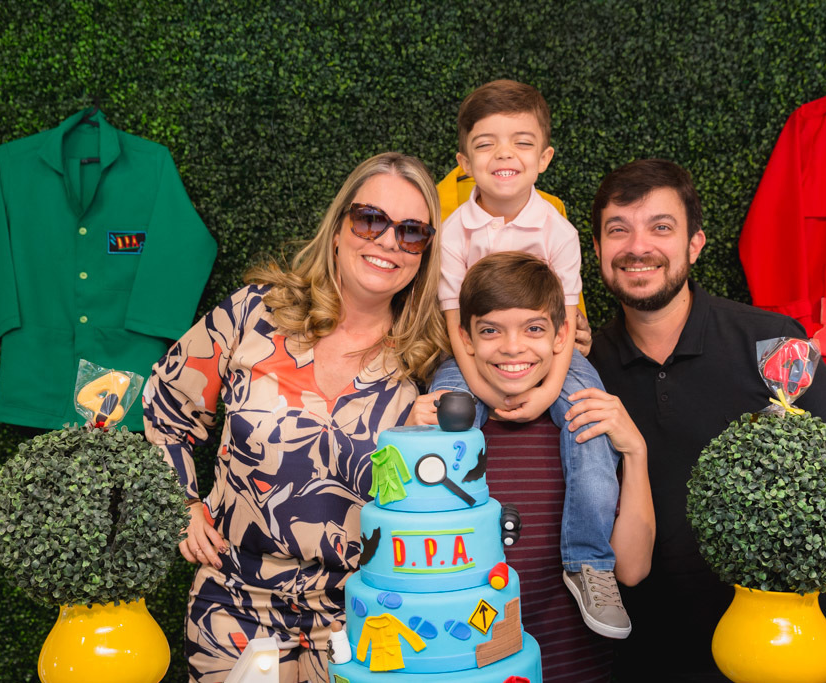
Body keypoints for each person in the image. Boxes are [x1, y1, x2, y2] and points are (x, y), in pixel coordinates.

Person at [142, 152, 449, 683]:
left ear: (424, 252)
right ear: (337, 228)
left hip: (363, 622)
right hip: (232, 609)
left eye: (411, 231)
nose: (387, 242)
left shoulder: (430, 358)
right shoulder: (255, 312)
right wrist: (184, 502)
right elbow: (165, 400)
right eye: (370, 219)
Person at [586, 158, 826, 683]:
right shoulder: (582, 367)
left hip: (776, 647)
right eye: (619, 230)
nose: (638, 247)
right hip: (635, 652)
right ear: (596, 250)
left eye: (661, 227)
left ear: (694, 244)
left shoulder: (773, 341)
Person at [431, 79, 630, 638]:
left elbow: (565, 325)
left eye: (521, 142)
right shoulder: (453, 233)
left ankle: (589, 563)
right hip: (473, 356)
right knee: (442, 419)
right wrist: (486, 392)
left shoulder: (557, 230)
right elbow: (453, 324)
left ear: (543, 158)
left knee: (590, 426)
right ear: (464, 162)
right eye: (486, 143)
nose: (503, 155)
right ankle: (445, 553)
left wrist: (548, 393)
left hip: (552, 356)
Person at [409, 251, 655, 682]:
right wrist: (411, 445)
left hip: (574, 665)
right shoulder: (446, 433)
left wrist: (636, 454)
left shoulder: (586, 426)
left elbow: (632, 570)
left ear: (561, 336)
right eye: (490, 331)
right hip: (467, 664)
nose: (512, 347)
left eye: (534, 329)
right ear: (465, 339)